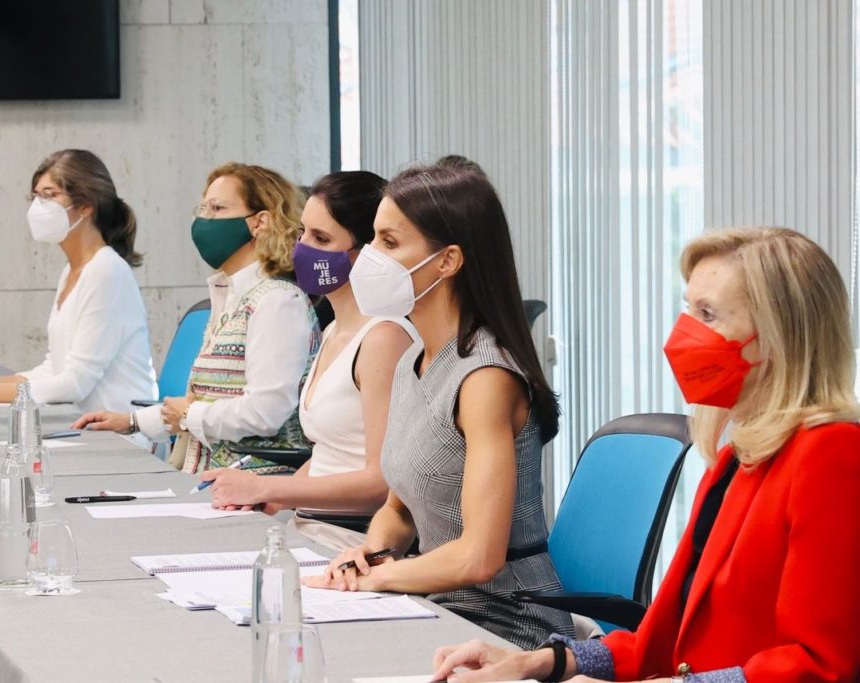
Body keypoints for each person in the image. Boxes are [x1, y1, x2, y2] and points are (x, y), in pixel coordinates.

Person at [430, 227, 860, 682]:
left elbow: (821, 665)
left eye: (707, 314)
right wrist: (540, 661)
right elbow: (661, 643)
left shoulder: (832, 452)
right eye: (688, 308)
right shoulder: (738, 460)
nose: (685, 332)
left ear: (778, 337)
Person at [304, 163, 574, 649]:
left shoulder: (485, 377)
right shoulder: (414, 360)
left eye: (389, 243)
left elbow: (478, 558)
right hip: (437, 606)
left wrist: (378, 580)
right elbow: (398, 507)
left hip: (505, 624)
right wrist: (370, 555)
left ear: (447, 261)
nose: (368, 258)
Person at [200, 171, 417, 550]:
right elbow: (331, 455)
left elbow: (383, 481)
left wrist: (268, 485)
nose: (302, 248)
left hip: (348, 543)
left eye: (321, 238)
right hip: (309, 530)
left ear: (366, 253)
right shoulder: (334, 331)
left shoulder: (384, 337)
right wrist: (272, 495)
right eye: (302, 233)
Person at [74, 162, 320, 473]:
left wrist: (189, 416)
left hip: (255, 488)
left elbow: (265, 412)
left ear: (260, 222)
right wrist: (133, 421)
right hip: (211, 481)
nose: (204, 220)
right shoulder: (231, 295)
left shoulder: (278, 302)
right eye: (202, 208)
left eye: (217, 208)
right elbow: (204, 400)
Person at [0, 149, 157, 413]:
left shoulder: (107, 271)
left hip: (119, 435)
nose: (38, 206)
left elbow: (75, 383)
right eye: (36, 196)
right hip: (78, 425)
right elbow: (55, 368)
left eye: (49, 195)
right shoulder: (72, 270)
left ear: (85, 205)